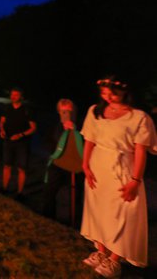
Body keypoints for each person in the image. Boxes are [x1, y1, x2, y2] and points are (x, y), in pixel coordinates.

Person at [80, 77, 157, 278]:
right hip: (98, 168)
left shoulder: (138, 117)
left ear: (125, 91)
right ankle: (101, 251)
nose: (108, 97)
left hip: (123, 169)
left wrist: (135, 180)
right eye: (104, 93)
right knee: (98, 210)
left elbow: (141, 151)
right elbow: (89, 139)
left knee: (123, 213)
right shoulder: (95, 111)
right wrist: (85, 164)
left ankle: (115, 260)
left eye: (112, 93)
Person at [42, 99, 84, 223]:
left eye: (68, 111)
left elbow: (87, 141)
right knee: (49, 192)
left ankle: (75, 223)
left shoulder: (82, 124)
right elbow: (49, 142)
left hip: (77, 166)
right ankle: (48, 220)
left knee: (76, 197)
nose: (65, 113)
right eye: (62, 111)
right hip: (58, 164)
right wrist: (63, 130)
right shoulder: (56, 126)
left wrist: (75, 129)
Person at [0, 88, 36, 199]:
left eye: (16, 95)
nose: (13, 96)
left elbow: (33, 128)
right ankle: (4, 188)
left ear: (21, 97)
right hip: (8, 141)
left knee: (21, 168)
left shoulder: (27, 110)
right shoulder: (7, 108)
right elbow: (2, 122)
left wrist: (21, 135)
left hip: (22, 143)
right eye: (12, 94)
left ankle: (20, 193)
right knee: (6, 166)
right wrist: (2, 130)